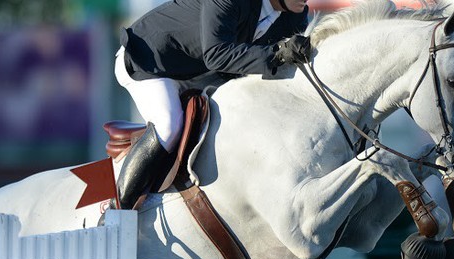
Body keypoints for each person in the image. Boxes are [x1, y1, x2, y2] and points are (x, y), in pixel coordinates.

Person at [112, 0, 311, 209]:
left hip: (198, 74)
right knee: (169, 126)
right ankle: (118, 212)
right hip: (151, 61)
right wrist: (278, 53)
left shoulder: (295, 16)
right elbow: (216, 54)